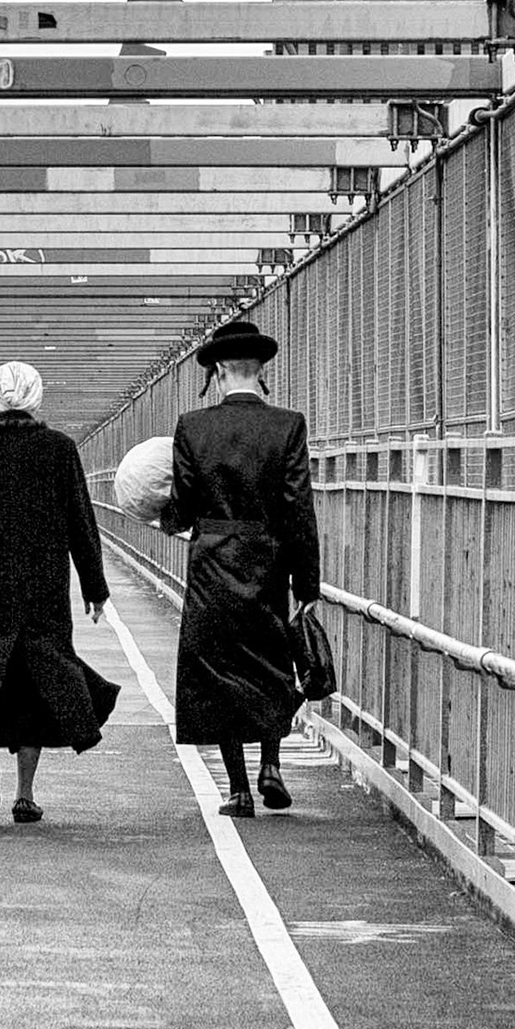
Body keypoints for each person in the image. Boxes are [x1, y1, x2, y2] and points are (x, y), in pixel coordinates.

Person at [0, 361, 119, 824]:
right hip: (44, 584)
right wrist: (95, 587)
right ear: (37, 399)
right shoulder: (59, 449)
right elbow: (81, 523)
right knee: (36, 678)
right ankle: (24, 794)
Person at [168, 318, 322, 817]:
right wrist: (307, 581)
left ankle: (237, 790)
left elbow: (183, 506)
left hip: (213, 559)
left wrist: (167, 517)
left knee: (219, 668)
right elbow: (299, 508)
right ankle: (271, 766)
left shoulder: (194, 427)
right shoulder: (288, 425)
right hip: (267, 560)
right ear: (260, 370)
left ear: (216, 371)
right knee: (270, 661)